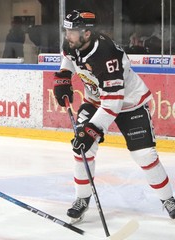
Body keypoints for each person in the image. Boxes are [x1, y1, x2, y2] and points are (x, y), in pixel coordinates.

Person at [53, 10, 175, 223]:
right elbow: (68, 58)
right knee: (82, 147)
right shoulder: (73, 43)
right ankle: (82, 199)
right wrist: (64, 76)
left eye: (72, 32)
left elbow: (114, 103)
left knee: (145, 155)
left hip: (129, 104)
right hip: (95, 101)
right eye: (66, 30)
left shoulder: (106, 55)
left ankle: (168, 200)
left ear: (87, 33)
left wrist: (91, 129)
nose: (67, 36)